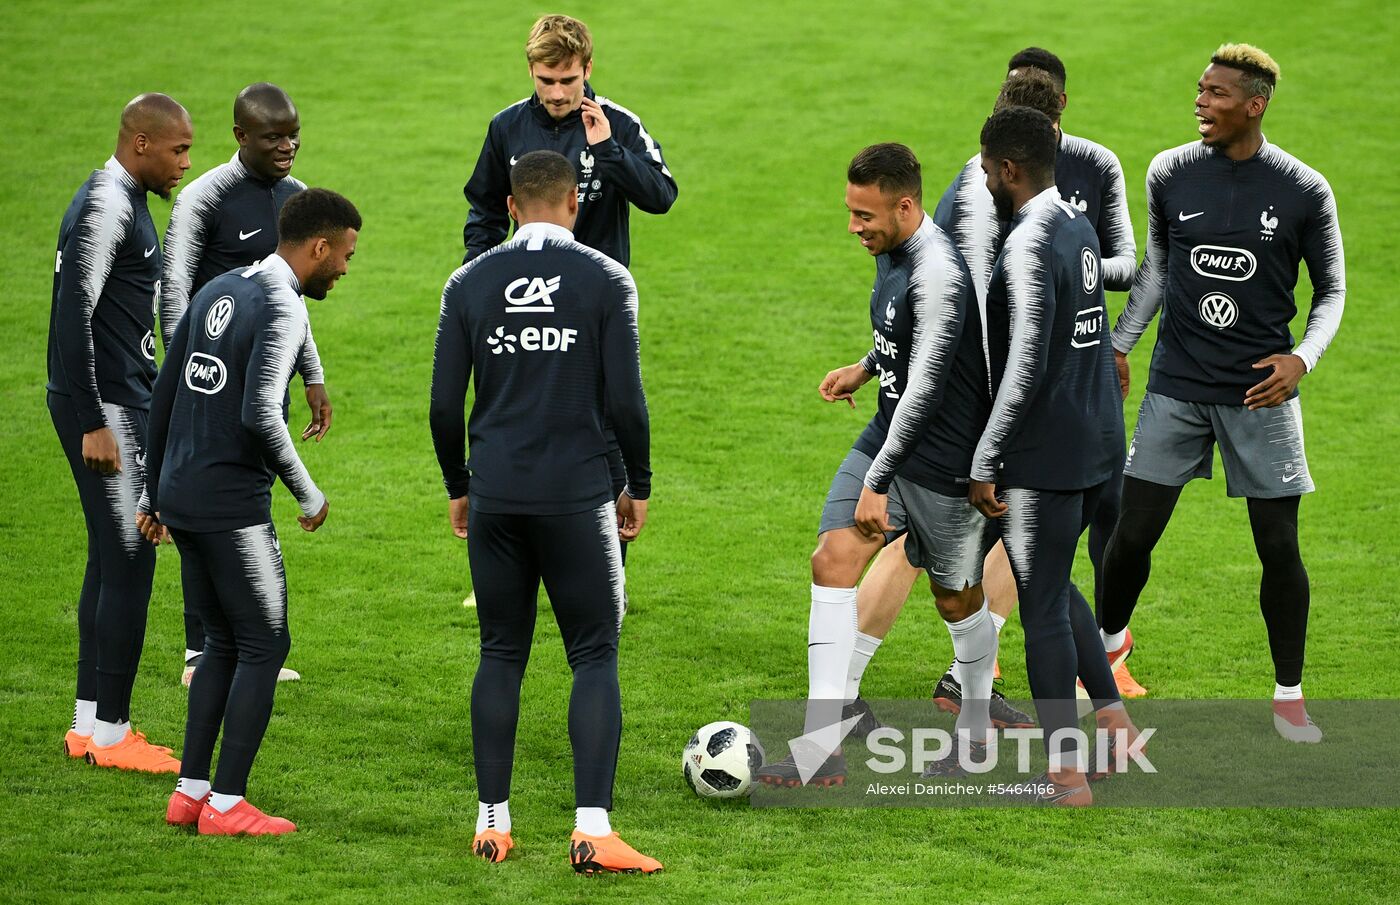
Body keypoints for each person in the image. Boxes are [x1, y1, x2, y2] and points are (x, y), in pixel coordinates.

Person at [852, 49, 1146, 714]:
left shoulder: (1018, 222)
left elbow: (966, 318)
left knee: (1008, 568)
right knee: (1011, 569)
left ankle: (982, 703)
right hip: (1018, 420)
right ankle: (1080, 718)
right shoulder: (1063, 221)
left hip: (1001, 418)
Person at [1103, 44, 1345, 743]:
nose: (1200, 102)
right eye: (1199, 91)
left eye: (1214, 94)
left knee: (1278, 544)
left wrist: (1302, 357)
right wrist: (1121, 345)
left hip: (1261, 395)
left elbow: (1330, 290)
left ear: (1254, 104)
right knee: (1132, 535)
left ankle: (1289, 694)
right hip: (1177, 384)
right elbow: (1156, 269)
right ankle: (1109, 651)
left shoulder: (1304, 190)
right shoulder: (1170, 172)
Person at [432, 150, 658, 874]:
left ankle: (491, 824)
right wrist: (639, 482)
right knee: (593, 652)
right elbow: (625, 399)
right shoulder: (606, 279)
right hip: (576, 493)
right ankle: (592, 829)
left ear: (508, 205)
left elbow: (444, 405)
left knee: (500, 651)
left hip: (495, 490)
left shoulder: (467, 281)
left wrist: (458, 484)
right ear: (571, 203)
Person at [753, 143, 992, 788]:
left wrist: (878, 481)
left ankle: (974, 726)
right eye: (851, 212)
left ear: (906, 205)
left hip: (940, 459)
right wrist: (867, 364)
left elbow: (929, 387)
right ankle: (820, 748)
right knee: (832, 561)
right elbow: (902, 341)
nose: (854, 228)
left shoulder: (938, 270)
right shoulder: (892, 252)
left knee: (956, 599)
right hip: (887, 431)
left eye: (866, 215)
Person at [138, 188, 359, 835]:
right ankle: (229, 804)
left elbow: (166, 393)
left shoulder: (221, 288)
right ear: (317, 246)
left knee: (220, 643)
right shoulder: (282, 306)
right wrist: (308, 492)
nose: (345, 268)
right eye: (344, 255)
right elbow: (261, 414)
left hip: (183, 492)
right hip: (231, 504)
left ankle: (191, 791)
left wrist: (154, 492)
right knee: (265, 641)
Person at [461, 14, 676, 574]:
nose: (556, 94)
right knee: (521, 422)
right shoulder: (506, 126)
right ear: (531, 71)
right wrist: (480, 275)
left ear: (587, 69)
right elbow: (484, 207)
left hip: (594, 309)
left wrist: (608, 152)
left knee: (604, 432)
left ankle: (610, 573)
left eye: (567, 81)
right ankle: (516, 564)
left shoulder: (619, 124)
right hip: (522, 305)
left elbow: (662, 196)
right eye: (545, 81)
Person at [969, 106, 1135, 804]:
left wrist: (985, 457)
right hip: (1098, 442)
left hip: (1049, 455)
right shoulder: (1075, 223)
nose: (979, 176)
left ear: (1009, 169)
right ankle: (1116, 725)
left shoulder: (1029, 245)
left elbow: (1026, 365)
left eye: (984, 167)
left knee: (1039, 609)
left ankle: (1066, 775)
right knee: (1055, 582)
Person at [161, 82, 328, 686]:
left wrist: (311, 373)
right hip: (206, 378)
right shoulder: (205, 196)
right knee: (207, 502)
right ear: (240, 137)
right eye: (273, 137)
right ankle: (198, 651)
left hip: (265, 377)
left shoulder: (297, 199)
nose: (287, 147)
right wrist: (186, 375)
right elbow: (174, 290)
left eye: (293, 134)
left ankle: (239, 644)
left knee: (249, 497)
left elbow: (296, 296)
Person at [48, 93, 192, 771]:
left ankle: (87, 722)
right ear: (141, 144)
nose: (184, 164)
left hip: (115, 398)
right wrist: (93, 421)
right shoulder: (108, 205)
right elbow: (70, 315)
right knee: (132, 557)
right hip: (107, 406)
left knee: (110, 556)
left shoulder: (122, 199)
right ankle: (113, 734)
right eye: (178, 150)